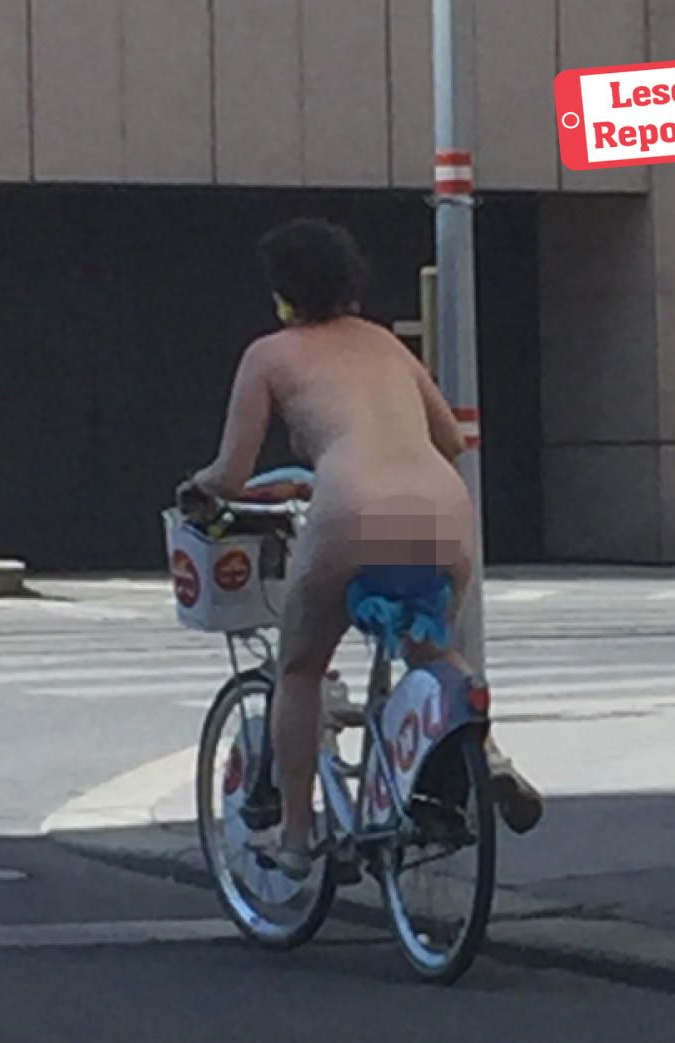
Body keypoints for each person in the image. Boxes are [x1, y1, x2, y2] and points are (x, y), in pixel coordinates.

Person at [182, 217, 542, 876]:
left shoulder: (269, 355)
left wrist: (199, 489)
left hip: (351, 509)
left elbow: (231, 474)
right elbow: (451, 439)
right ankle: (489, 757)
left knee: (300, 669)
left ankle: (295, 836)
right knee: (431, 648)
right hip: (442, 508)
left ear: (282, 292)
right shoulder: (385, 342)